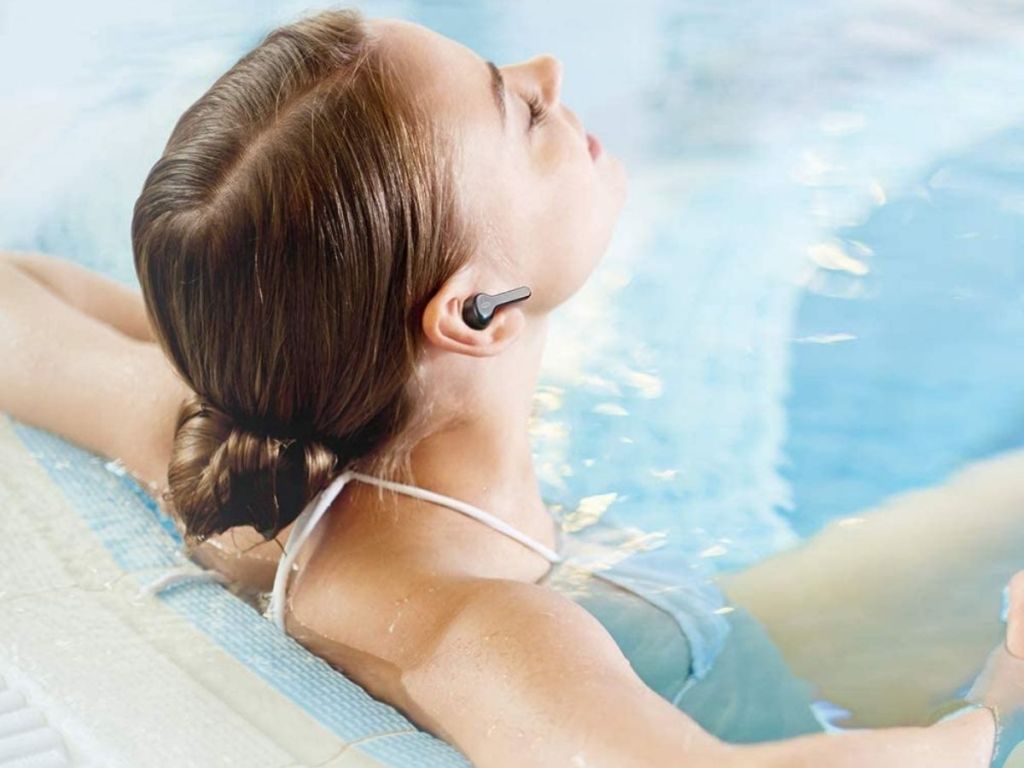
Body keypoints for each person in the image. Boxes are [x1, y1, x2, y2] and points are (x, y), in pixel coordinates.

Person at [4, 7, 1024, 766]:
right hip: (719, 698)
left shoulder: (232, 457)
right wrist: (990, 709)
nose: (549, 69)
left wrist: (262, 353)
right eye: (522, 109)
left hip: (688, 640)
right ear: (471, 310)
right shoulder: (487, 628)